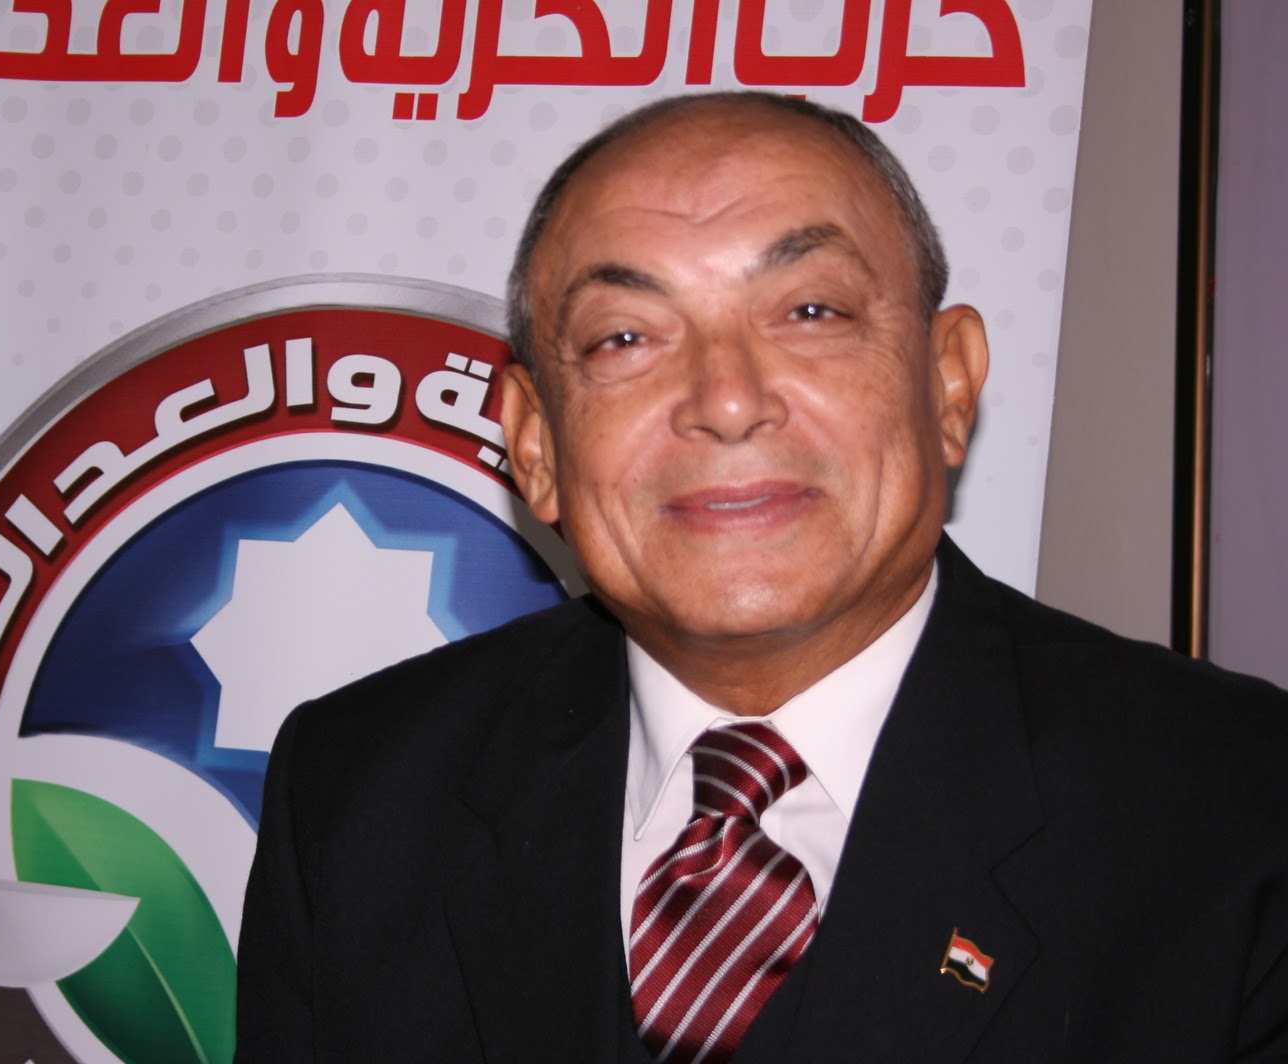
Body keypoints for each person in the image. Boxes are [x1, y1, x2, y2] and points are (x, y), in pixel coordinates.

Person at [235, 91, 1288, 1062]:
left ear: (948, 384)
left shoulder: (1234, 806)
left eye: (810, 312)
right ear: (535, 442)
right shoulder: (363, 792)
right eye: (625, 337)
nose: (727, 400)